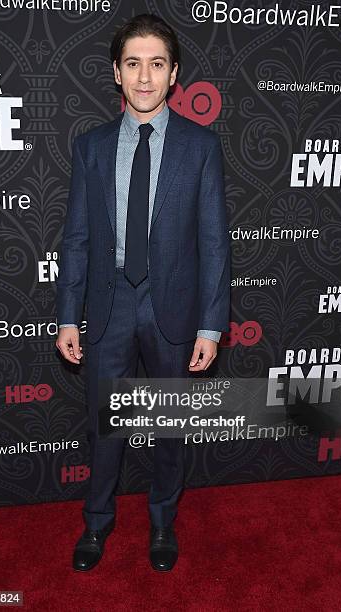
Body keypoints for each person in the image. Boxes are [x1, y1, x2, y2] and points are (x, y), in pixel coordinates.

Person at [55, 13, 230, 572]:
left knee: (170, 429)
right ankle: (96, 525)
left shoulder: (201, 147)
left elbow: (214, 241)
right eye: (133, 64)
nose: (145, 76)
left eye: (157, 64)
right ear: (117, 72)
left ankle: (161, 525)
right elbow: (77, 239)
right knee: (105, 427)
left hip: (173, 310)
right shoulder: (91, 146)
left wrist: (210, 324)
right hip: (109, 309)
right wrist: (66, 317)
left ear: (174, 73)